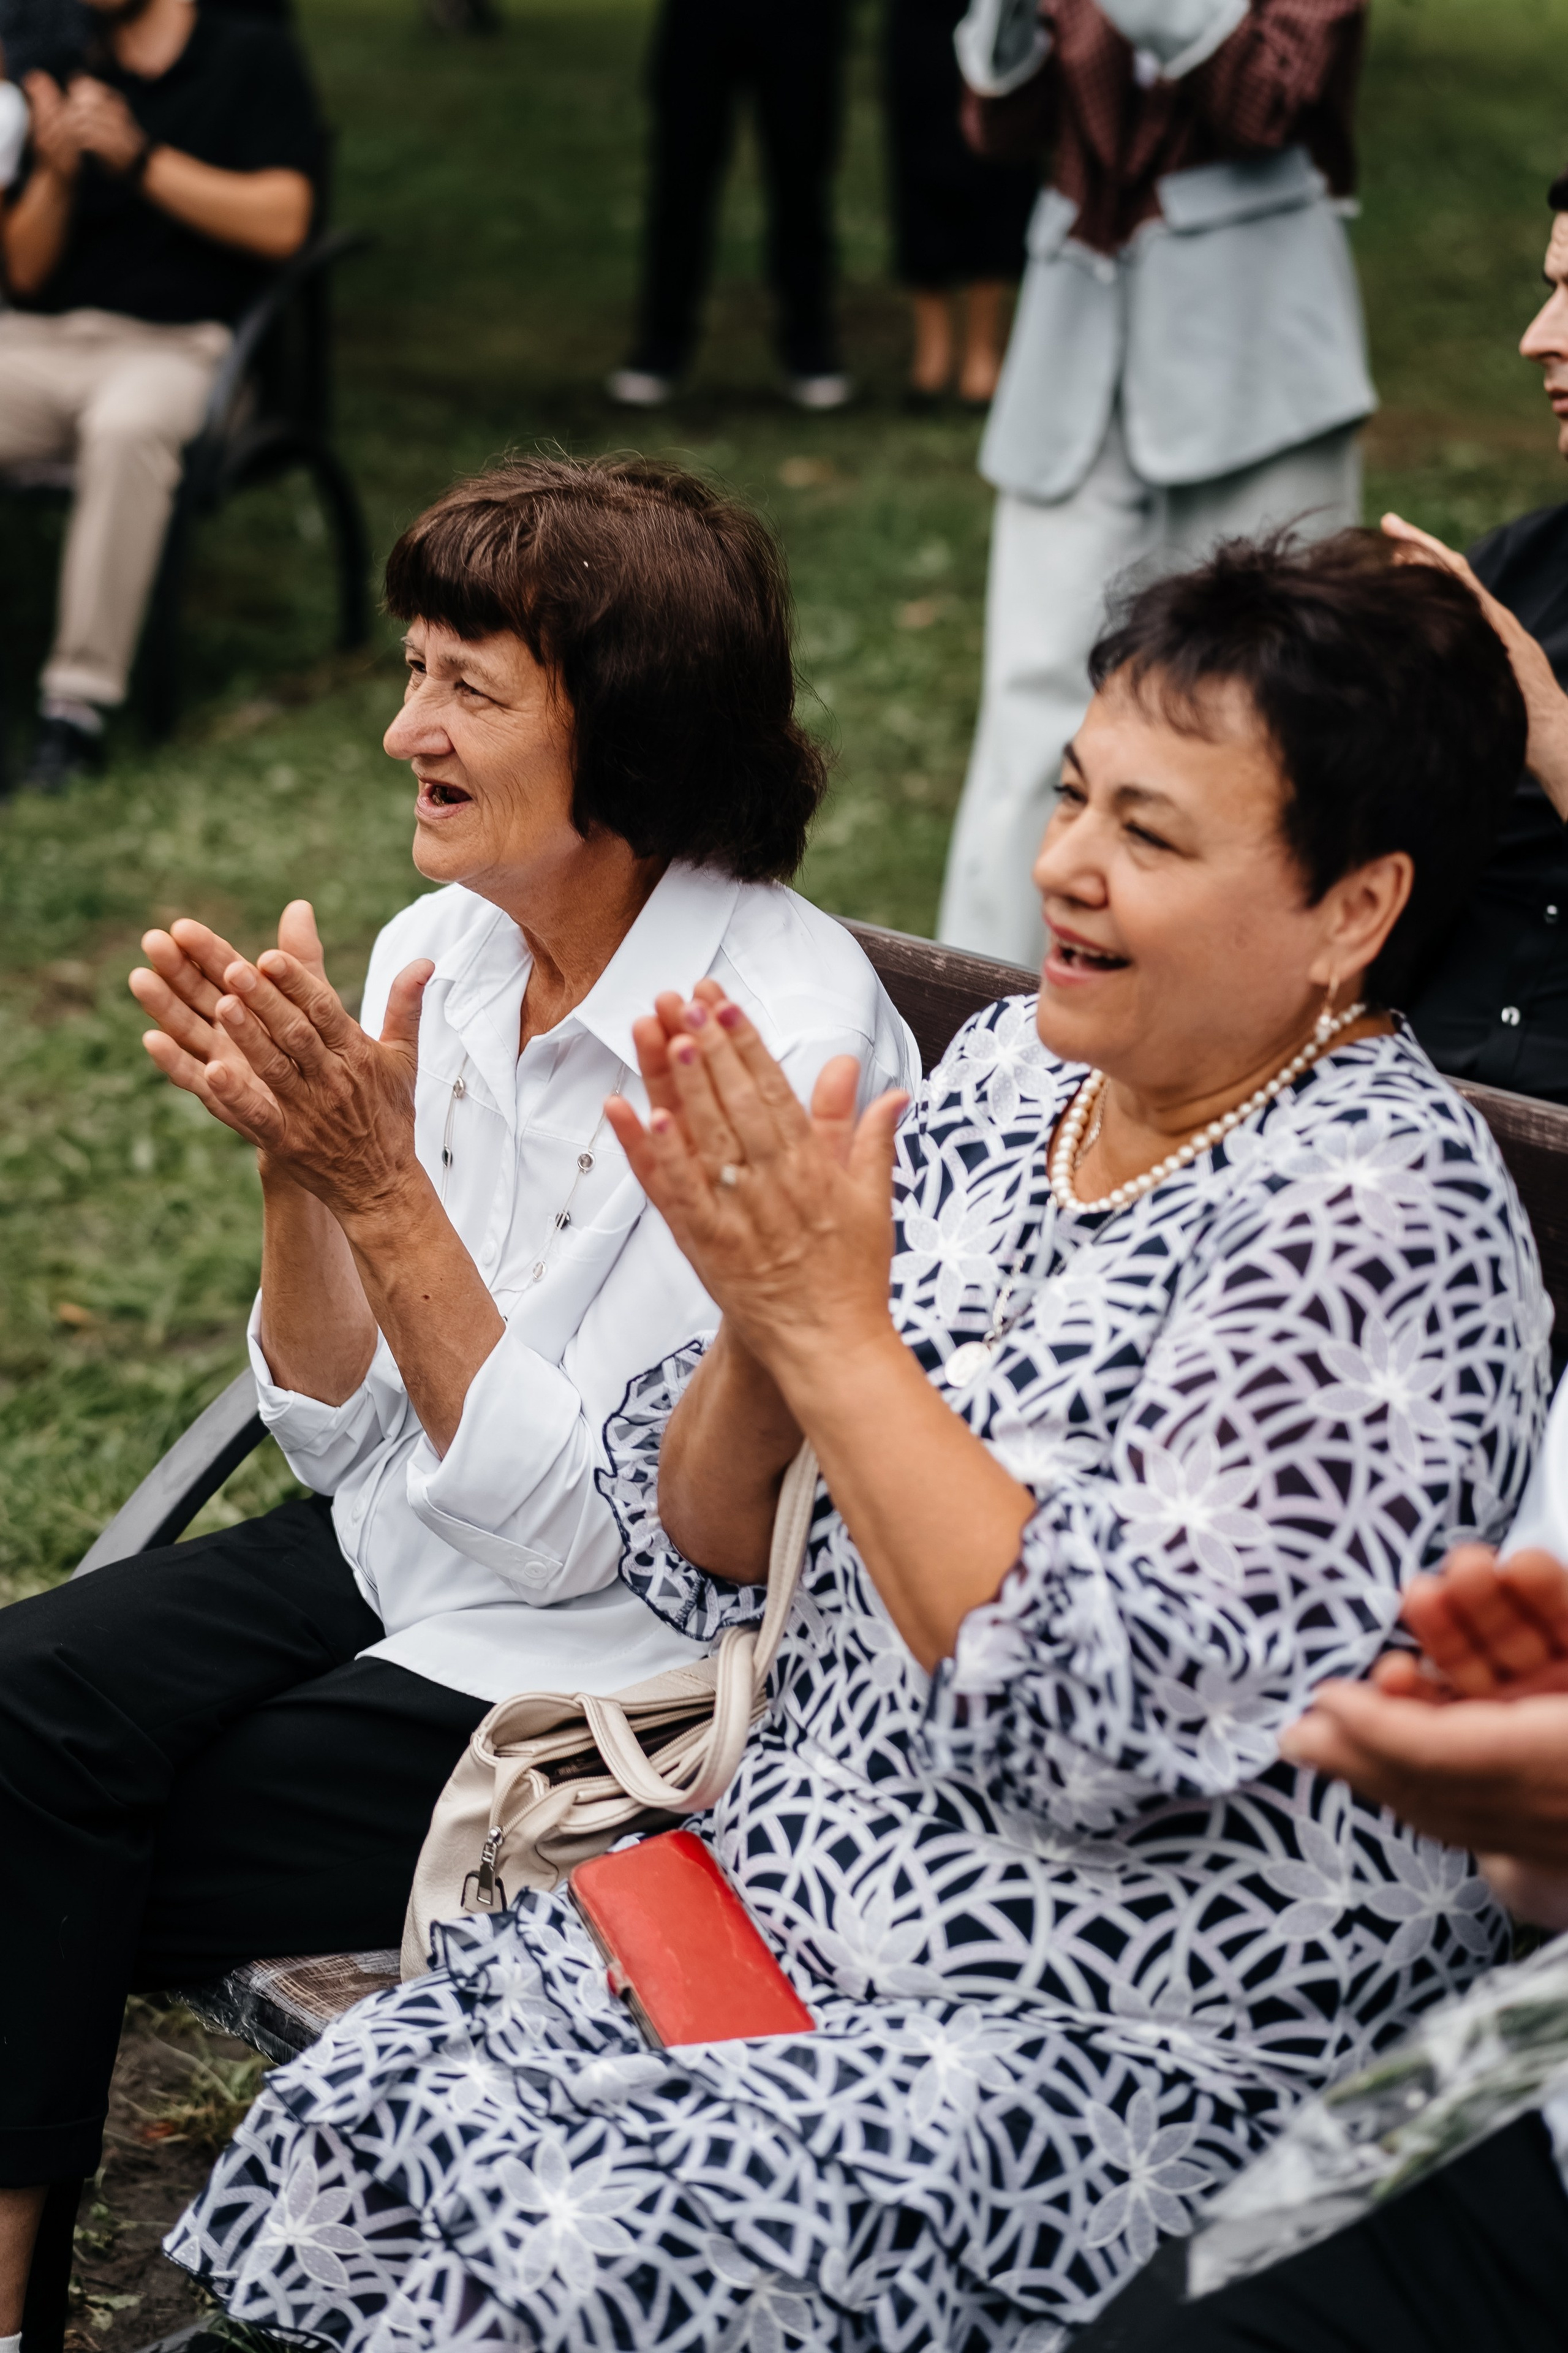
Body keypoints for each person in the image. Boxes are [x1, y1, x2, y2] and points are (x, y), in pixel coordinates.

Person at [168, 532, 1548, 2352]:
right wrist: (761, 1315)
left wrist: (832, 1325)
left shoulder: (1372, 1217)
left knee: (588, 2239)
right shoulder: (1009, 1078)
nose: (1061, 865)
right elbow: (690, 1543)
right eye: (1072, 798)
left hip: (1102, 2024)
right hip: (778, 1904)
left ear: (1355, 907)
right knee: (371, 2110)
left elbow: (1099, 1740)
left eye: (1150, 835)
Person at [0, 454, 918, 2340]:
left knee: (59, 1825)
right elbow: (342, 1436)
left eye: (469, 686)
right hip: (399, 1548)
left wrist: (381, 1182)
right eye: (414, 668)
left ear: (633, 733)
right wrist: (297, 1163)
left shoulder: (773, 1038)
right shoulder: (444, 950)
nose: (407, 725)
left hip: (604, 1668)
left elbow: (631, 1543)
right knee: (21, 1710)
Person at [938, 0, 1373, 965]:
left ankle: (1250, 993)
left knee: (1266, 694)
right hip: (1074, 346)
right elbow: (999, 127)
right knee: (1032, 705)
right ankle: (980, 1005)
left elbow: (1263, 102)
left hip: (1259, 355)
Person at [0, 0, 320, 793]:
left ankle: (73, 710)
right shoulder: (66, 58)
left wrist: (139, 158)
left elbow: (284, 223)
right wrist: (56, 172)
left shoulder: (251, 56)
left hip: (185, 348)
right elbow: (27, 272)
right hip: (47, 343)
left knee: (127, 424)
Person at [1384, 170, 1568, 1106]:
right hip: (1405, 1095)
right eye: (1551, 290)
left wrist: (1540, 715)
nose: (1539, 338)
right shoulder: (1521, 567)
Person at [606, 0, 853, 413]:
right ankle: (662, 344)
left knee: (802, 177)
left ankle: (810, 345)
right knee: (680, 178)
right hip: (703, 16)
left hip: (801, 18)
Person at [885, 0, 1035, 410]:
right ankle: (932, 350)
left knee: (997, 156)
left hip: (1003, 12)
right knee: (919, 159)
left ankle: (983, 350)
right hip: (922, 21)